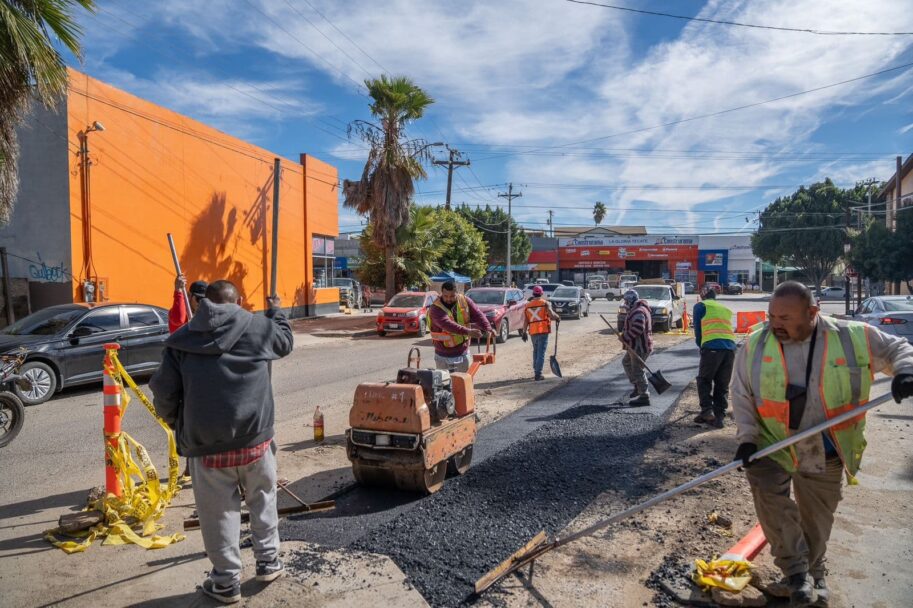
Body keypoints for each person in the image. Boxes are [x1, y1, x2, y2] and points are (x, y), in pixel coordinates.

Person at [731, 281, 913, 607]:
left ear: (813, 312)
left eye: (785, 318)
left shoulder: (852, 336)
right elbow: (741, 393)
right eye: (772, 315)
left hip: (826, 444)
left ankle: (814, 573)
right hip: (772, 442)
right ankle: (796, 571)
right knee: (767, 492)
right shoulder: (757, 343)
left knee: (816, 519)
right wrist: (746, 438)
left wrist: (906, 372)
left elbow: (899, 348)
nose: (775, 323)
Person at [150, 281, 294, 603]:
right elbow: (285, 341)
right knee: (263, 500)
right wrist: (276, 311)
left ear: (202, 303)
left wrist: (178, 423)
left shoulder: (181, 341)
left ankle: (227, 582)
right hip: (255, 442)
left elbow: (164, 393)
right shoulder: (259, 328)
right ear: (239, 301)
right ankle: (269, 561)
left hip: (207, 448)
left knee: (218, 515)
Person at [692, 285, 736, 428]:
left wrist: (701, 346)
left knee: (704, 380)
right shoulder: (725, 309)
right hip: (730, 349)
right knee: (722, 384)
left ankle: (706, 410)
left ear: (703, 296)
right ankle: (719, 417)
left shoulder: (700, 306)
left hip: (712, 348)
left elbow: (698, 331)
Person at [429, 281, 493, 372]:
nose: (448, 299)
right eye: (445, 296)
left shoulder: (465, 301)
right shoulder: (435, 308)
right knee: (444, 384)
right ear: (441, 294)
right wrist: (468, 331)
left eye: (452, 296)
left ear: (457, 293)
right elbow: (447, 325)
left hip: (462, 352)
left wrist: (488, 328)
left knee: (462, 383)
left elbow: (478, 314)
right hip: (442, 355)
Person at [620, 289, 653, 406]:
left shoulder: (638, 311)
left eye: (626, 301)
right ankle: (637, 386)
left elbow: (638, 328)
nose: (625, 303)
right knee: (626, 362)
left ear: (630, 300)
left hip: (639, 347)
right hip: (634, 346)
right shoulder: (637, 309)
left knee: (638, 369)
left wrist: (625, 336)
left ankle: (644, 395)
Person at [522, 285, 561, 381]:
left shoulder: (528, 306)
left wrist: (523, 332)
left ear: (533, 294)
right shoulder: (545, 303)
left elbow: (526, 321)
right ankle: (538, 374)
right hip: (543, 331)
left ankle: (536, 370)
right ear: (542, 293)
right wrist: (558, 317)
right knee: (540, 353)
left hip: (533, 331)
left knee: (535, 351)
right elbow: (551, 315)